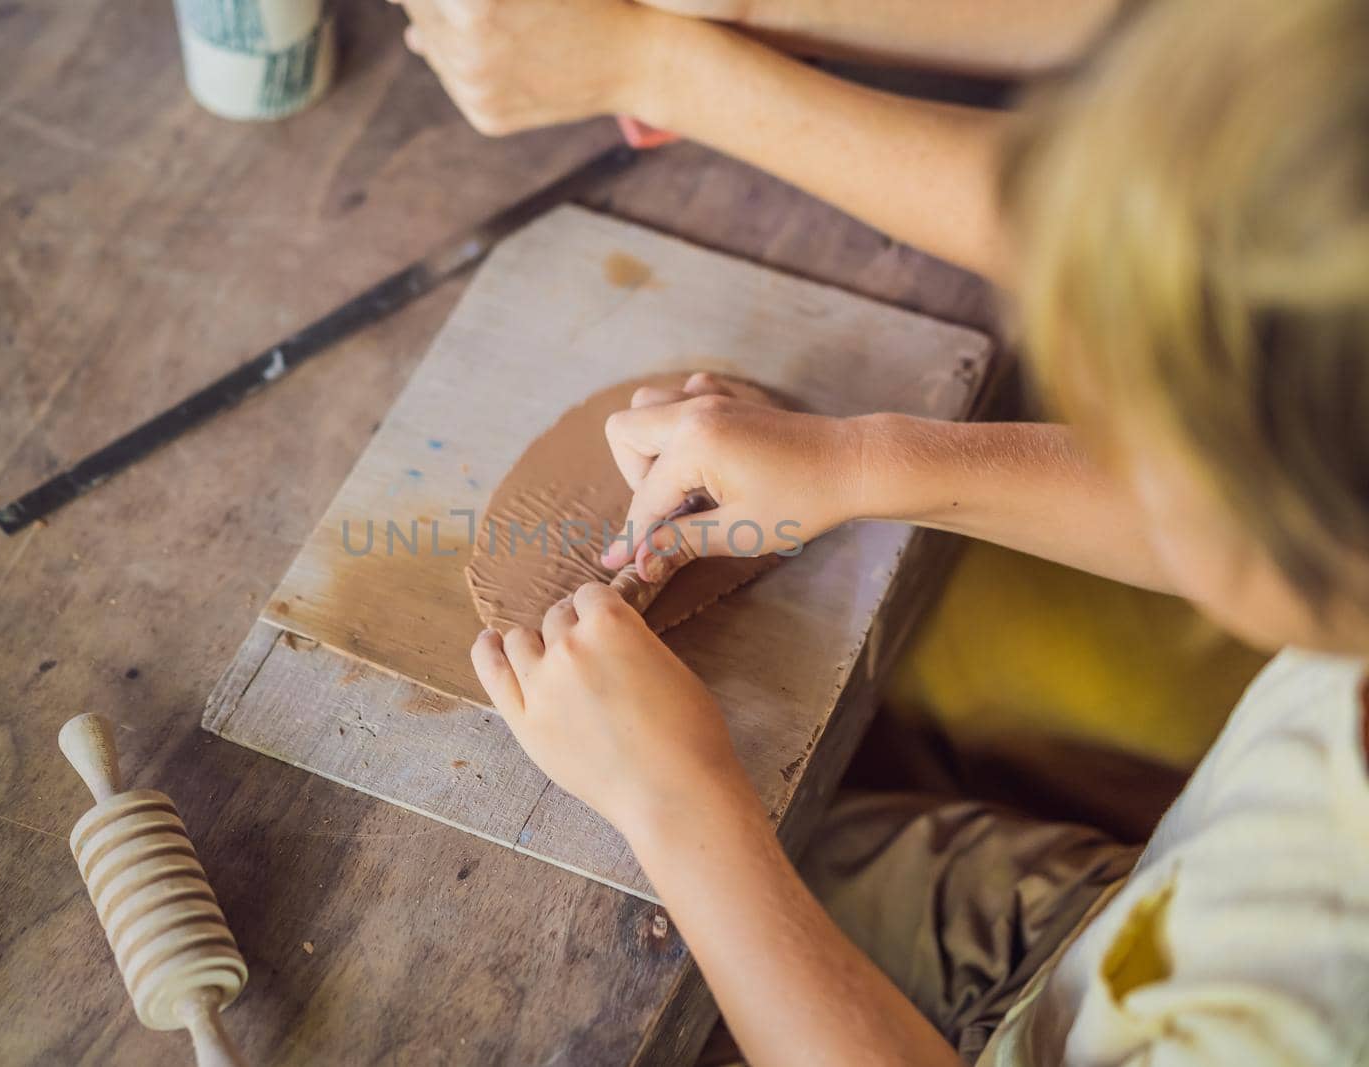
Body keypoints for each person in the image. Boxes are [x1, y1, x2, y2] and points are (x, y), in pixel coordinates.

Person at [401, 0, 1369, 1062]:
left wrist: (683, 807)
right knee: (810, 855)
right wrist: (867, 460)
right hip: (1111, 929)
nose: (1122, 462)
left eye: (1145, 442)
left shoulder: (1305, 1008)